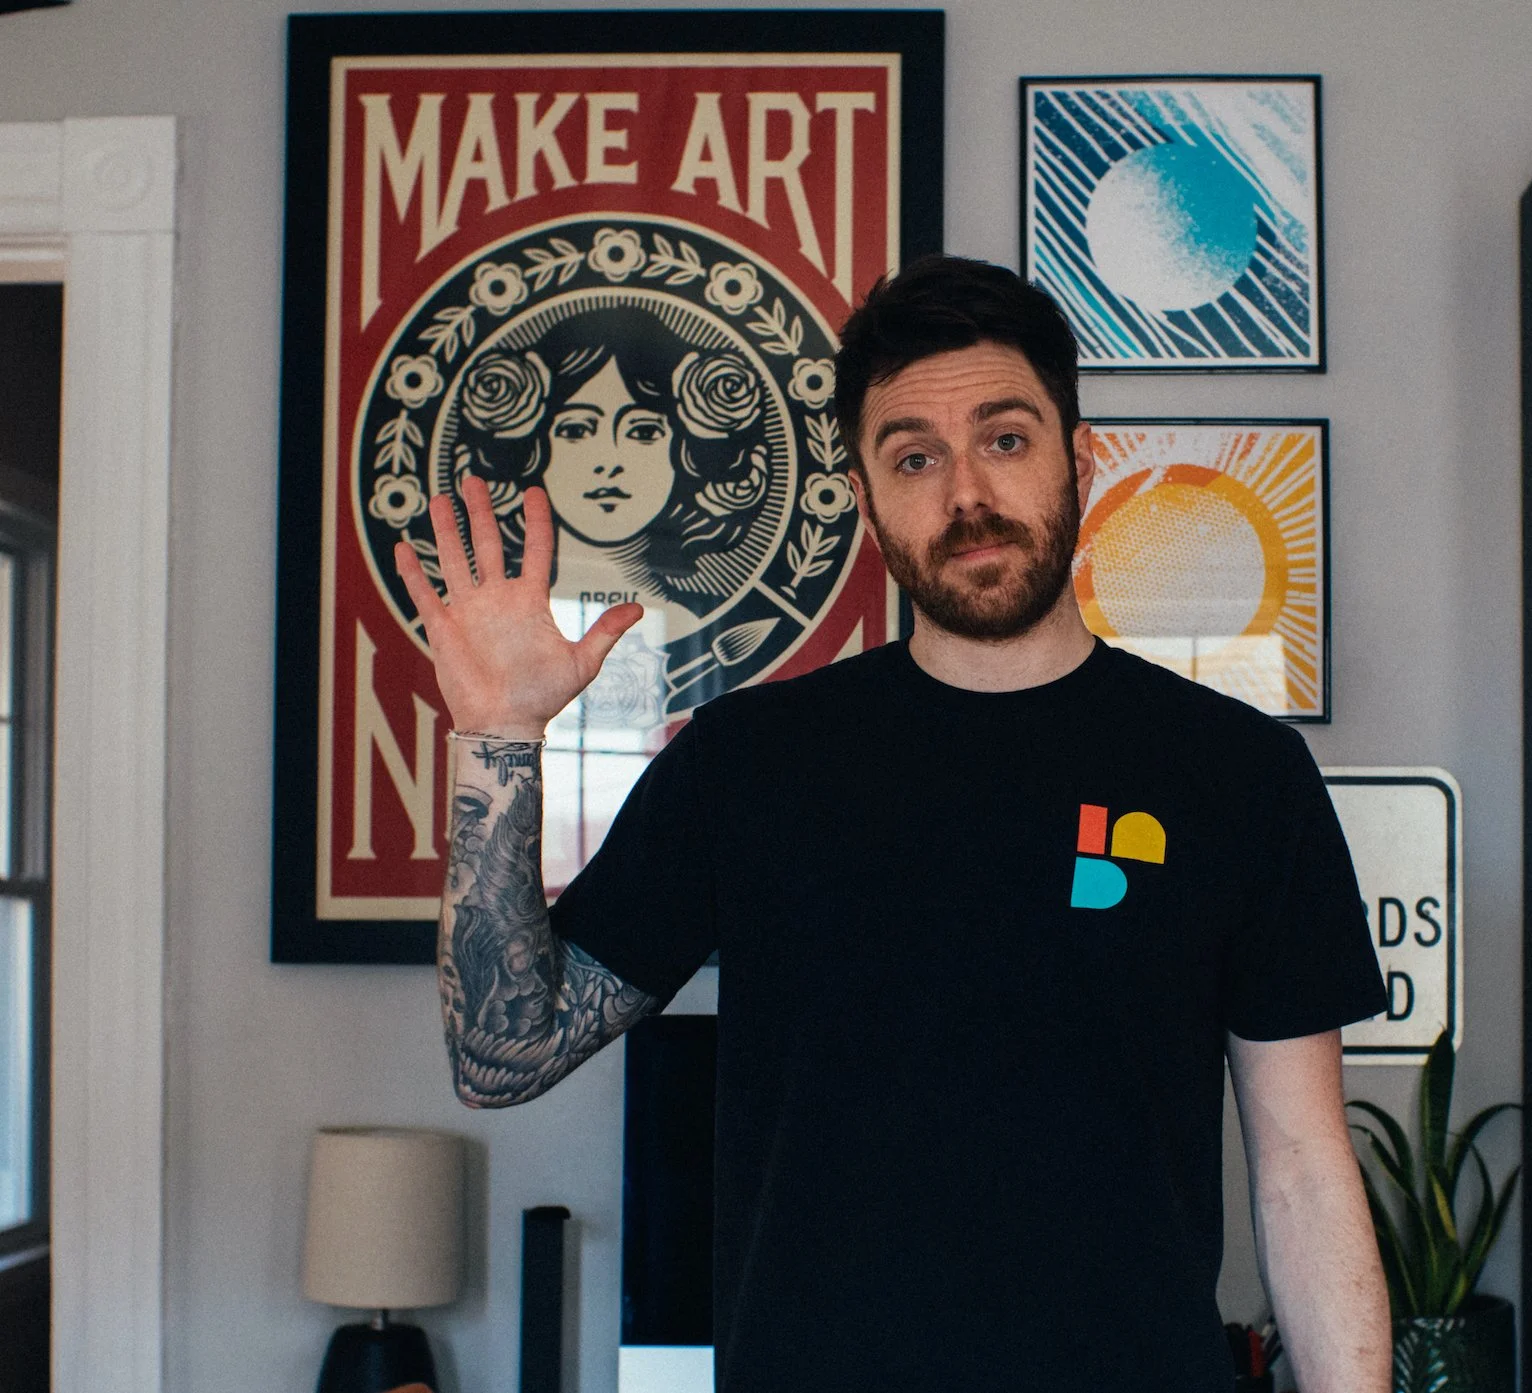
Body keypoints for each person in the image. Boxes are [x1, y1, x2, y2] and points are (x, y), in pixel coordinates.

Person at [396, 254, 1391, 1393]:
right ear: (866, 500)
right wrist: (497, 737)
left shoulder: (1238, 774)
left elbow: (1306, 1171)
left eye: (1006, 440)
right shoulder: (749, 763)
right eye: (913, 456)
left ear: (1081, 459)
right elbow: (502, 1054)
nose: (965, 491)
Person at [451, 304, 775, 628]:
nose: (609, 462)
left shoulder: (693, 630)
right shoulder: (500, 635)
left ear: (684, 450)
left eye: (644, 431)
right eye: (576, 430)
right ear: (534, 448)